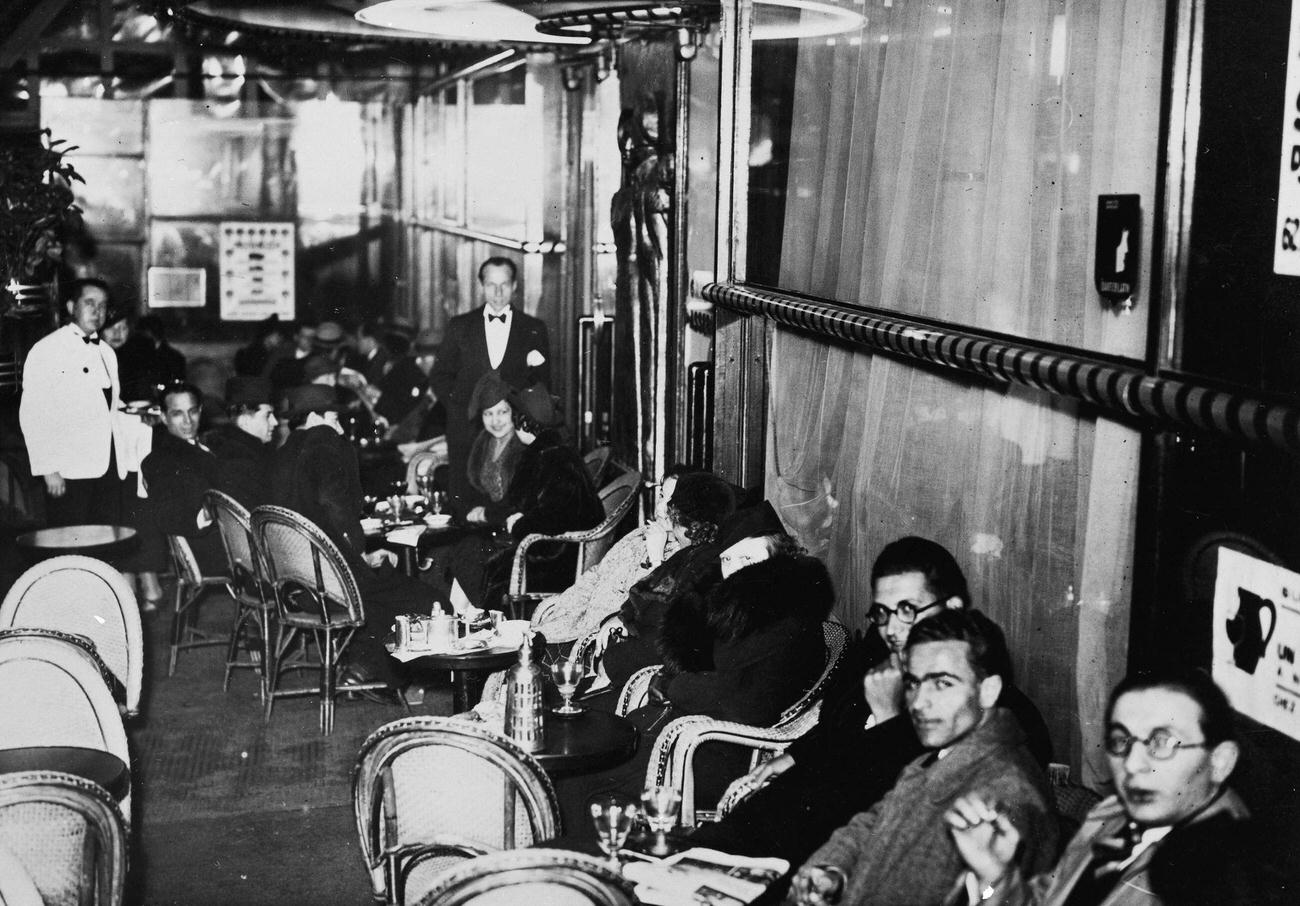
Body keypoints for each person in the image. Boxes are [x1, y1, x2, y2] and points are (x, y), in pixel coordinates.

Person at [688, 537, 1053, 867]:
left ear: (954, 606)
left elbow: (900, 817)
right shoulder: (874, 660)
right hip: (794, 817)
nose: (893, 629)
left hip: (831, 848)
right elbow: (832, 727)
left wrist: (889, 718)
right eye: (882, 613)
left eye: (909, 609)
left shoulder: (979, 704)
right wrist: (795, 755)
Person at [555, 534, 835, 837]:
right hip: (675, 732)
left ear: (778, 566)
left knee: (576, 778)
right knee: (574, 766)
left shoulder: (787, 623)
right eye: (728, 559)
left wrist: (675, 685)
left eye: (748, 560)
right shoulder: (736, 613)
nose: (734, 568)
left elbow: (747, 704)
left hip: (711, 752)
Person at [791, 609, 1057, 906]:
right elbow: (873, 822)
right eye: (913, 683)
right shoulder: (940, 757)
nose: (919, 702)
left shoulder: (1005, 796)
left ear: (988, 691)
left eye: (942, 683)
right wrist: (833, 869)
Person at [945, 668, 1252, 906]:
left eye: (1162, 743)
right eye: (1122, 741)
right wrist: (995, 876)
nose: (1132, 764)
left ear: (1220, 761)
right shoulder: (1112, 814)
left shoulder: (1232, 875)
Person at [271, 384, 444, 690]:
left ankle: (362, 669)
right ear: (313, 417)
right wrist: (361, 554)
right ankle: (379, 675)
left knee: (381, 594)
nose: (339, 427)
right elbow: (336, 509)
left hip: (293, 583)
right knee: (427, 598)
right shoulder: (325, 446)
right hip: (331, 583)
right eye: (335, 419)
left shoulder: (282, 453)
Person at [450, 377, 603, 610]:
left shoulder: (549, 457)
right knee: (470, 552)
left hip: (554, 556)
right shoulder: (550, 451)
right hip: (549, 547)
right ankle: (467, 620)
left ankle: (470, 622)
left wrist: (520, 524)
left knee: (473, 556)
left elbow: (555, 514)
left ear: (522, 423)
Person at [597, 472, 738, 691]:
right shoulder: (693, 554)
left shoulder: (700, 563)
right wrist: (622, 619)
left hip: (658, 675)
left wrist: (614, 655)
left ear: (684, 520)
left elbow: (665, 629)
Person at [529, 465, 700, 646]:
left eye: (671, 503)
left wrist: (656, 555)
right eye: (661, 496)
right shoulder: (639, 535)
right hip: (576, 625)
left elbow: (652, 611)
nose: (660, 507)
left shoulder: (684, 555)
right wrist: (565, 609)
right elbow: (597, 573)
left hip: (601, 640)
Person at [430, 257, 551, 510]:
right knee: (464, 502)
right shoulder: (460, 326)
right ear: (481, 286)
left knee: (510, 498)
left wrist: (521, 417)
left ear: (515, 285)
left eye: (504, 285)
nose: (497, 292)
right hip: (465, 429)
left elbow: (542, 383)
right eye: (491, 285)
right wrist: (460, 408)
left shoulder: (533, 328)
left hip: (512, 432)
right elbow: (439, 375)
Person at [19, 278, 134, 527]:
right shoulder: (47, 349)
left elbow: (106, 406)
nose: (97, 311)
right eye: (89, 303)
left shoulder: (106, 352)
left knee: (103, 545)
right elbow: (32, 413)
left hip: (107, 468)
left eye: (103, 305)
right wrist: (48, 469)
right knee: (69, 547)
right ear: (72, 307)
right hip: (70, 471)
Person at [140, 382, 224, 575]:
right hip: (209, 551)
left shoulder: (205, 446)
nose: (188, 421)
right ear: (163, 417)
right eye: (177, 414)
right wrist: (204, 515)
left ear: (201, 411)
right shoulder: (159, 461)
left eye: (192, 412)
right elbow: (166, 516)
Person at [206, 375, 277, 510]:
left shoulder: (232, 448)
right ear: (244, 420)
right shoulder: (240, 462)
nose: (275, 422)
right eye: (267, 415)